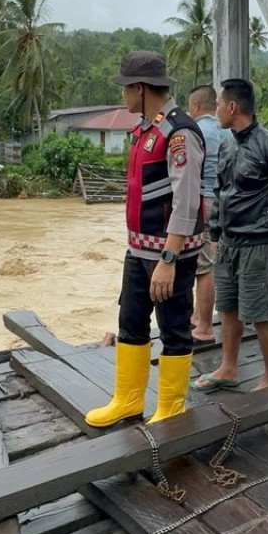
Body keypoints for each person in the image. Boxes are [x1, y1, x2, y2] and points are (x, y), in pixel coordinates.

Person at [84, 51, 206, 428]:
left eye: (125, 89)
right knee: (131, 321)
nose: (123, 97)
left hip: (170, 255)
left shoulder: (178, 133)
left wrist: (168, 261)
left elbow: (186, 201)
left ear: (139, 89)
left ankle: (170, 408)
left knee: (174, 328)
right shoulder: (144, 130)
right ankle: (128, 399)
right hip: (137, 249)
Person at [191, 78, 268, 393]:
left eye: (218, 104)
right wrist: (216, 232)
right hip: (229, 243)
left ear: (232, 107)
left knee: (260, 314)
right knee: (228, 308)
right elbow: (220, 191)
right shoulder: (228, 143)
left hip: (260, 245)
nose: (216, 110)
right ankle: (228, 368)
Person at [187, 84, 233, 343]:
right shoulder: (226, 132)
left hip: (203, 201)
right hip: (226, 202)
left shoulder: (195, 131)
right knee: (216, 260)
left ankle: (204, 327)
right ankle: (198, 315)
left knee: (204, 267)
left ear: (195, 107)